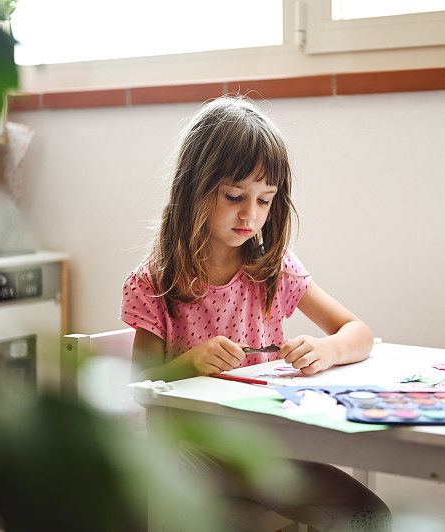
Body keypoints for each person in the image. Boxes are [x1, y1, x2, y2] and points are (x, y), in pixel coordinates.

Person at [120, 96, 391, 531]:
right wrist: (190, 363)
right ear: (194, 188)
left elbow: (357, 332)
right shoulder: (157, 280)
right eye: (234, 196)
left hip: (268, 442)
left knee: (370, 515)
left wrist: (327, 349)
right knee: (361, 514)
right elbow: (139, 384)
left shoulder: (272, 268)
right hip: (189, 451)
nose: (251, 214)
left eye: (264, 200)